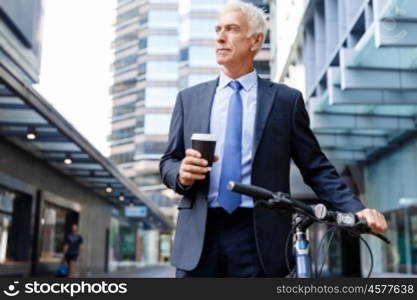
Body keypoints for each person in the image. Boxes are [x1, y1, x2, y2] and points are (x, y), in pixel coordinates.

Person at [159, 1, 388, 278]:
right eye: (218, 29)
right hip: (199, 236)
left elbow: (316, 167)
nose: (219, 37)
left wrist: (357, 210)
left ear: (255, 40)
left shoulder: (285, 101)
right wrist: (181, 174)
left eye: (231, 29)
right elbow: (168, 161)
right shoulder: (189, 99)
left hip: (259, 239)